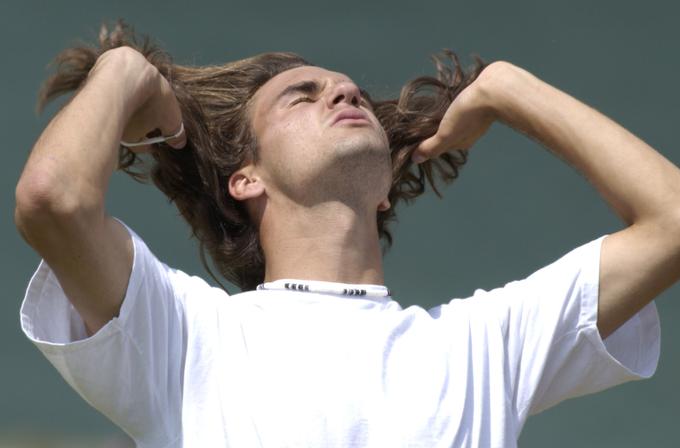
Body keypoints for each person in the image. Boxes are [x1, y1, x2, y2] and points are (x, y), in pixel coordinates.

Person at [15, 20, 678, 448]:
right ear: (245, 178)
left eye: (353, 92)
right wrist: (126, 70)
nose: (345, 94)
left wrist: (509, 88)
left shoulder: (483, 345)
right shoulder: (185, 336)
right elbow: (52, 199)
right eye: (302, 95)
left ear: (386, 186)